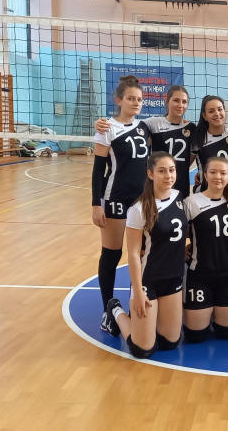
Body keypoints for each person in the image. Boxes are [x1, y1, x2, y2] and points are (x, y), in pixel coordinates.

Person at [105, 151, 187, 357]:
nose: (168, 176)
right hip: (148, 281)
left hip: (173, 278)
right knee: (142, 349)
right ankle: (115, 309)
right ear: (150, 174)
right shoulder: (139, 208)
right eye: (162, 171)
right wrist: (138, 292)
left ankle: (149, 322)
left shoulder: (179, 197)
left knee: (170, 343)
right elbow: (133, 254)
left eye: (172, 170)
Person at [92, 75, 150, 336]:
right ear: (119, 100)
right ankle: (108, 311)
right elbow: (98, 170)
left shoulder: (144, 127)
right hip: (115, 197)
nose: (136, 103)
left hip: (142, 200)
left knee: (141, 253)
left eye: (139, 99)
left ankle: (138, 301)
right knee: (112, 254)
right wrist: (96, 204)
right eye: (130, 98)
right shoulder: (107, 128)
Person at [182, 157, 228, 342]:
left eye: (223, 173)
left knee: (227, 333)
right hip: (200, 276)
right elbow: (176, 231)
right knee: (195, 336)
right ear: (205, 175)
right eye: (213, 172)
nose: (218, 177)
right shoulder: (191, 202)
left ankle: (213, 311)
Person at [96, 85, 195, 196]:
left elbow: (193, 154)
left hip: (181, 182)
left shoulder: (191, 128)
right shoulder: (153, 123)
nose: (180, 105)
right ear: (167, 101)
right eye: (176, 100)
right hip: (157, 184)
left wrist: (181, 166)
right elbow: (127, 124)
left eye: (184, 102)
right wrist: (101, 123)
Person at [191, 95, 228, 192]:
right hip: (204, 193)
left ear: (224, 111)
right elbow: (184, 165)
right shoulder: (198, 139)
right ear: (204, 116)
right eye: (211, 111)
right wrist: (202, 172)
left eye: (220, 109)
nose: (217, 113)